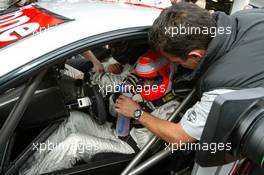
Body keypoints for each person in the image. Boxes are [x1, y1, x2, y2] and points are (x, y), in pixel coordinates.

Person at [115, 2, 264, 146]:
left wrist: (137, 113)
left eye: (176, 62)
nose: (175, 66)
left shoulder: (221, 88)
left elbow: (180, 137)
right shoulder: (247, 16)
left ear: (195, 56)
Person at [19, 50, 180, 175]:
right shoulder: (135, 84)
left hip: (131, 147)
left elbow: (151, 146)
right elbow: (113, 108)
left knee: (75, 143)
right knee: (72, 118)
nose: (144, 82)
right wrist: (119, 96)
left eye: (150, 79)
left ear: (164, 76)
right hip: (114, 130)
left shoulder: (171, 106)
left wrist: (138, 113)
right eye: (142, 78)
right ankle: (24, 169)